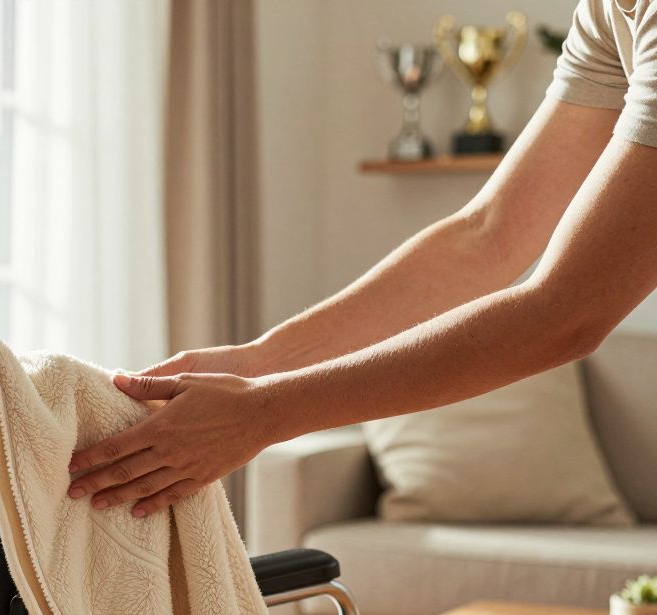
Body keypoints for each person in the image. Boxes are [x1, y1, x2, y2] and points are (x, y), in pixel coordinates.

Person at [68, 0, 657, 518]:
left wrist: (265, 412)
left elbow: (566, 313)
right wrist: (261, 363)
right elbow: (486, 236)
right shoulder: (608, 13)